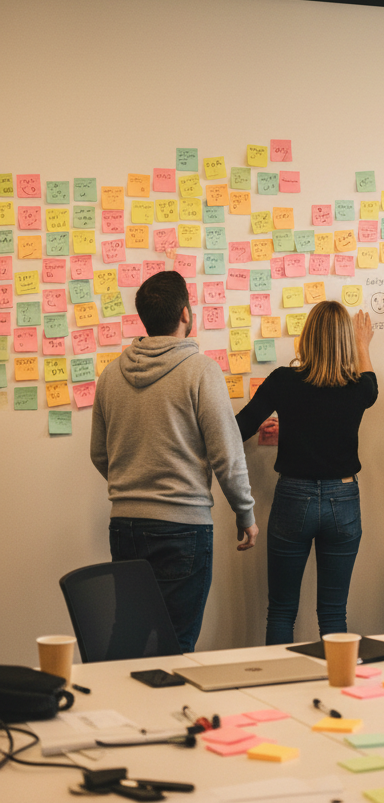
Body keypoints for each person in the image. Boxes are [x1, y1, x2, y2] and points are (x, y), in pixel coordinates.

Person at [90, 270, 258, 652]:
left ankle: (119, 712)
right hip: (182, 528)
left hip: (125, 524)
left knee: (127, 637)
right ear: (186, 314)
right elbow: (227, 456)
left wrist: (133, 484)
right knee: (177, 645)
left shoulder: (111, 374)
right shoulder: (200, 370)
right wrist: (245, 514)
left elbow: (99, 453)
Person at [235, 300, 376, 645]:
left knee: (281, 610)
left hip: (293, 498)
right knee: (333, 611)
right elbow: (370, 381)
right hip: (343, 499)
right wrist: (362, 344)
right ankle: (337, 688)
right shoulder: (361, 387)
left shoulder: (284, 380)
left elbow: (238, 428)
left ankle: (279, 690)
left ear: (306, 338)